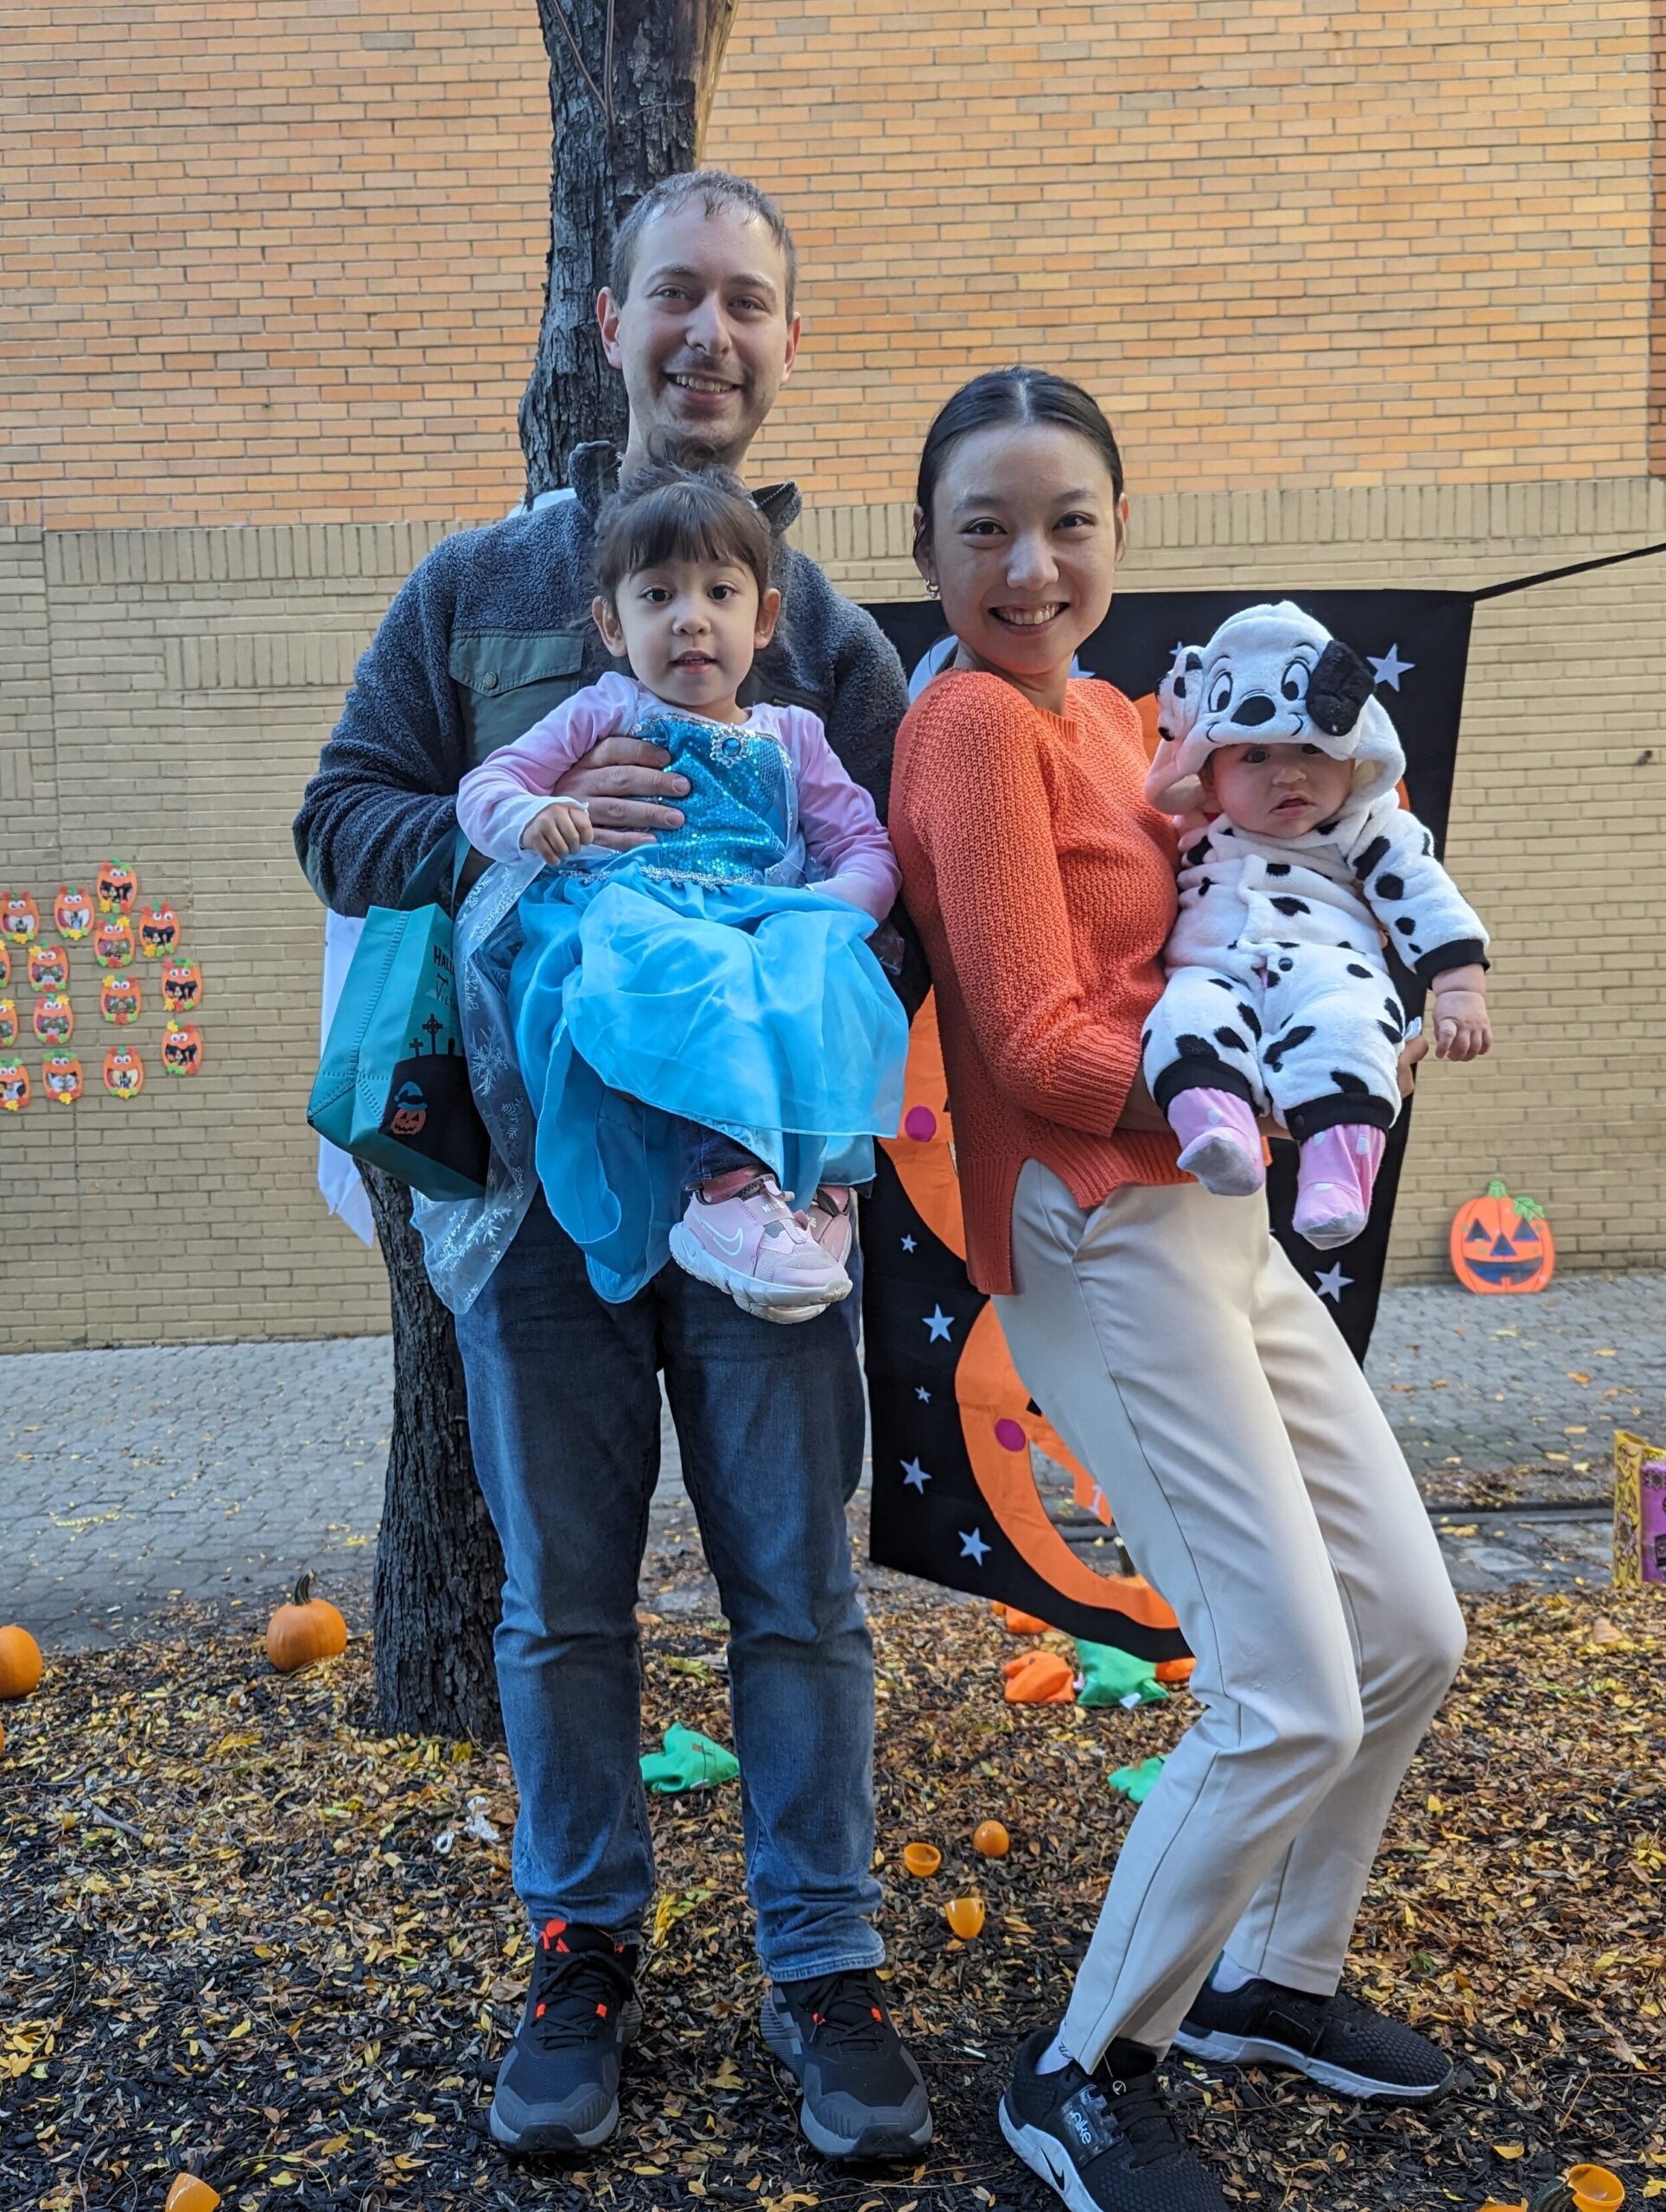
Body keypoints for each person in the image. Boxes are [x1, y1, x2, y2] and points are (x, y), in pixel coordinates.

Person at [293, 171, 932, 2164]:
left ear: (786, 344)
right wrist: (526, 832)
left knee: (797, 1596)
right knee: (565, 1607)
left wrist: (783, 969)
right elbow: (344, 820)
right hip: (529, 1203)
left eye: (750, 301)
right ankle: (581, 1952)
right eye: (677, 295)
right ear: (610, 321)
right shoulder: (479, 589)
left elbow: (912, 882)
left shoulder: (815, 625)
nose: (709, 334)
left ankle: (822, 1967)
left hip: (759, 1214)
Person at [889, 366, 1467, 2212]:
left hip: (1226, 1223)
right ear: (928, 553)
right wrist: (1259, 1064)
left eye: (1067, 521)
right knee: (1282, 1686)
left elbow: (1294, 868)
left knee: (1405, 1633)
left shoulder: (1140, 716)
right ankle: (1082, 2065)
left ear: (1122, 537)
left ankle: (1271, 1981)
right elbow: (1045, 1053)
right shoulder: (975, 731)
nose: (1030, 560)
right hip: (1097, 1224)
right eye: (984, 526)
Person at [454, 458, 907, 1318]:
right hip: (631, 917)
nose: (690, 619)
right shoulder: (608, 709)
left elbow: (861, 842)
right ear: (612, 625)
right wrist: (529, 815)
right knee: (695, 968)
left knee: (831, 971)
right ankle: (724, 1186)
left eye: (719, 593)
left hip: (754, 916)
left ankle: (824, 1184)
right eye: (657, 596)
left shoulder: (793, 736)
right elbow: (489, 783)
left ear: (764, 616)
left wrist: (831, 913)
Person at [1141, 598, 1490, 1247]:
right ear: (1210, 777)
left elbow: (1421, 893)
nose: (1290, 773)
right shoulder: (1198, 828)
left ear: (1355, 756)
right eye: (1255, 757)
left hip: (1335, 975)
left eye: (1311, 747)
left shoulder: (1366, 825)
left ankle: (1337, 1180)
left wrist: (1460, 988)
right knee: (1181, 1022)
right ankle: (1220, 1132)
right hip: (1217, 971)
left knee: (1350, 1037)